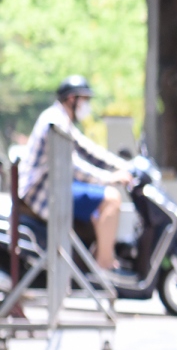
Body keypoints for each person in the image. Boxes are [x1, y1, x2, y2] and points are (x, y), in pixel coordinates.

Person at [18, 76, 131, 271]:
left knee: (101, 202)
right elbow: (72, 165)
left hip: (54, 186)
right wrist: (109, 178)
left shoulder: (59, 118)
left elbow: (89, 150)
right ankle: (104, 266)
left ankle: (95, 260)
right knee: (111, 198)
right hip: (43, 193)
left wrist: (125, 166)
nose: (86, 106)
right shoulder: (55, 122)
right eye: (85, 100)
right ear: (72, 99)